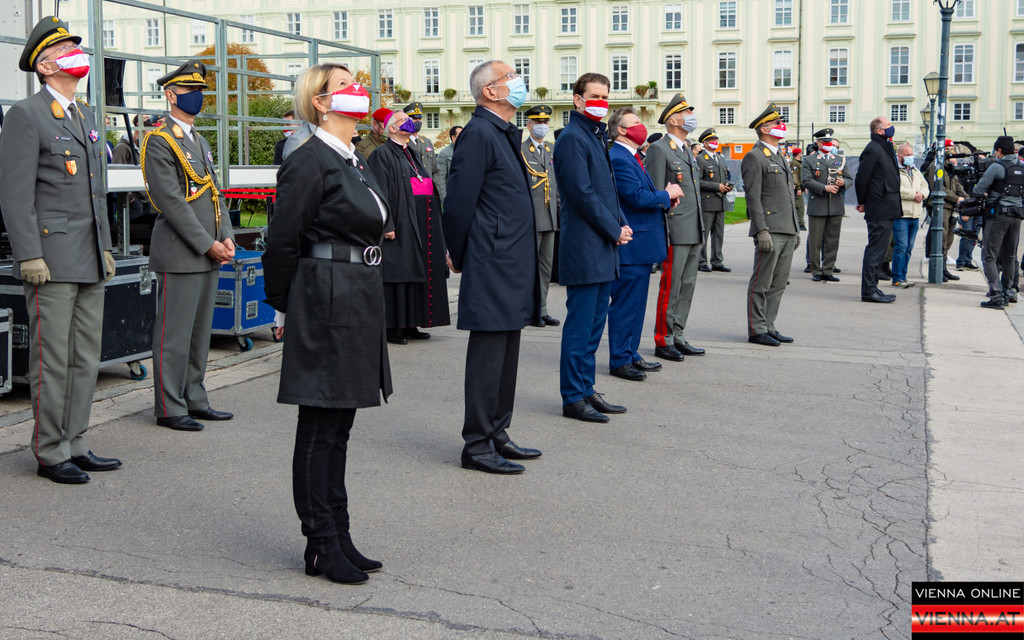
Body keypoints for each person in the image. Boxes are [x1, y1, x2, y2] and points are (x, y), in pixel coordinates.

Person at [263, 63, 390, 585]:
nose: (358, 90)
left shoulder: (351, 157)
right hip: (325, 296)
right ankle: (319, 543)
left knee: (340, 428)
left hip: (356, 294)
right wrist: (285, 305)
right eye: (344, 85)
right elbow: (282, 240)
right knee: (320, 427)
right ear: (320, 101)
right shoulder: (309, 159)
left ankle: (339, 532)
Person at [0, 16, 119, 484]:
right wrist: (29, 254)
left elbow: (96, 192)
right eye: (65, 49)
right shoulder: (26, 115)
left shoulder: (84, 115)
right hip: (50, 260)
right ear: (45, 66)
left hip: (88, 255)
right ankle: (50, 450)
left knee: (86, 357)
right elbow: (15, 195)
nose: (77, 55)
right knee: (52, 358)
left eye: (75, 47)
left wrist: (105, 246)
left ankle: (76, 441)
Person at [443, 60, 542, 474]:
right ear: (490, 91)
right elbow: (459, 201)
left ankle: (498, 432)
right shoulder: (480, 133)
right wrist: (459, 253)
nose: (519, 82)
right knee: (488, 356)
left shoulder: (501, 132)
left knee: (506, 352)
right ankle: (477, 444)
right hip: (492, 259)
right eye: (510, 77)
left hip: (510, 259)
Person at [141, 60, 236, 431]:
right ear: (170, 96)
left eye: (200, 91)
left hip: (209, 249)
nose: (197, 96)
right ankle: (169, 406)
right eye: (189, 91)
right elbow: (170, 202)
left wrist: (226, 235)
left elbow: (214, 193)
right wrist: (207, 243)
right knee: (174, 335)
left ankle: (195, 397)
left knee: (199, 334)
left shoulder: (199, 139)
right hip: (181, 251)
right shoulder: (160, 140)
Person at [555, 72, 632, 423]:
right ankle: (573, 396)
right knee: (580, 327)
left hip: (602, 244)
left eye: (605, 96)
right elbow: (581, 193)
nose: (601, 102)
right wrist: (613, 229)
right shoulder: (573, 137)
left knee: (595, 326)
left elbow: (607, 190)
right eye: (594, 96)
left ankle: (586, 389)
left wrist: (621, 223)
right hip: (585, 245)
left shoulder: (594, 134)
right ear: (577, 99)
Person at [606, 106, 679, 382]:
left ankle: (630, 353)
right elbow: (635, 197)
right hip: (631, 246)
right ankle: (620, 359)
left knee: (636, 307)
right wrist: (665, 194)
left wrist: (664, 199)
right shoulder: (618, 157)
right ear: (621, 130)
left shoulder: (633, 155)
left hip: (642, 245)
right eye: (635, 122)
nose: (641, 125)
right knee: (626, 306)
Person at [366, 109, 450, 344]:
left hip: (421, 221)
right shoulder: (381, 154)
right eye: (403, 120)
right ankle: (394, 327)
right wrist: (387, 224)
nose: (410, 122)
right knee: (400, 274)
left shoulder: (410, 151)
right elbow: (378, 192)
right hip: (400, 221)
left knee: (417, 272)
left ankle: (412, 323)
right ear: (392, 128)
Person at [646, 94, 706, 360]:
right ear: (672, 120)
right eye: (686, 113)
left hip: (693, 227)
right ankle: (664, 339)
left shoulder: (686, 148)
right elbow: (656, 193)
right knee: (670, 287)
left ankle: (678, 334)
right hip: (674, 229)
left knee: (687, 286)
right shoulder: (660, 149)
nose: (691, 117)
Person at [742, 103, 800, 346]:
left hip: (787, 228)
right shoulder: (755, 156)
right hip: (771, 229)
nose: (781, 126)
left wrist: (795, 228)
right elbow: (753, 197)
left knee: (778, 283)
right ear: (764, 129)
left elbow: (788, 196)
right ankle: (757, 329)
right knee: (762, 282)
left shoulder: (779, 155)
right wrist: (761, 230)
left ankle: (769, 325)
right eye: (777, 123)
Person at [973, 135, 1024, 309]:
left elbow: (978, 190)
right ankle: (1006, 293)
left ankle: (995, 296)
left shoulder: (997, 167)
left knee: (989, 255)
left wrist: (989, 195)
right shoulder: (1021, 167)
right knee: (1010, 256)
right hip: (1017, 216)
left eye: (995, 151)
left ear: (999, 150)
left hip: (998, 216)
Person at [521, 104, 560, 328]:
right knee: (528, 268)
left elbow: (556, 185)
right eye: (538, 122)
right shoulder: (521, 150)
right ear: (529, 125)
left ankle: (542, 309)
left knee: (546, 268)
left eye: (545, 122)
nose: (542, 126)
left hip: (550, 217)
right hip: (531, 218)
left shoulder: (551, 149)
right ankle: (527, 309)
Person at [855, 117, 901, 304]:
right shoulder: (873, 148)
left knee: (880, 250)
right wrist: (862, 201)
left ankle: (873, 288)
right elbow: (862, 178)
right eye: (888, 125)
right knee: (875, 251)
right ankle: (869, 290)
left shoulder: (884, 146)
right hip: (879, 205)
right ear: (880, 130)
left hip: (886, 206)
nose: (892, 127)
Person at [803, 128, 851, 282]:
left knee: (832, 240)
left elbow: (849, 179)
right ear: (818, 143)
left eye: (830, 141)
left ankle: (828, 269)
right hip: (818, 205)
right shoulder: (809, 160)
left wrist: (843, 183)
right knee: (815, 241)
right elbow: (806, 180)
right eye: (826, 142)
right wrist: (824, 188)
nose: (829, 144)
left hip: (836, 205)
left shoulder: (840, 159)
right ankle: (816, 270)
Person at [925, 144, 968, 282]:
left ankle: (943, 267)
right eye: (947, 149)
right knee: (941, 238)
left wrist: (966, 199)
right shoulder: (935, 166)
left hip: (951, 207)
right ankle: (938, 269)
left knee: (948, 238)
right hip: (941, 206)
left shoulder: (949, 167)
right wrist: (957, 198)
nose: (951, 152)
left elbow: (957, 185)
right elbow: (937, 187)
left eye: (951, 149)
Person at [695, 128, 732, 272]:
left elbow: (725, 177)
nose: (715, 142)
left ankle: (717, 261)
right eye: (711, 140)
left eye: (716, 139)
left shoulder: (720, 158)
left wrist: (727, 185)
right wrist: (717, 186)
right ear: (705, 143)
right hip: (708, 201)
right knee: (704, 233)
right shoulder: (700, 159)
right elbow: (698, 181)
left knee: (719, 234)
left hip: (720, 201)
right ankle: (701, 261)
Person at [892, 143, 928, 288]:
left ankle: (903, 276)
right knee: (901, 247)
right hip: (901, 215)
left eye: (911, 154)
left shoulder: (915, 170)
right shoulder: (894, 171)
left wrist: (922, 194)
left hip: (915, 215)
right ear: (899, 156)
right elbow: (895, 189)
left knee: (908, 249)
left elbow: (925, 186)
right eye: (907, 155)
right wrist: (914, 195)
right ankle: (897, 278)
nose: (910, 157)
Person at [403, 102, 439, 181]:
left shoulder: (427, 142)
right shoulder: (403, 143)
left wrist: (435, 187)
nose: (418, 121)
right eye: (414, 119)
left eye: (420, 118)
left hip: (429, 187)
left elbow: (435, 170)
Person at [434, 124, 462, 205]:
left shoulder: (469, 152)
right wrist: (445, 200)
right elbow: (440, 179)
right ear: (453, 137)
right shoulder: (444, 154)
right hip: (453, 197)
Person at [790, 146, 807, 231]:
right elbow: (795, 176)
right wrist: (798, 188)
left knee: (799, 205)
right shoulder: (795, 163)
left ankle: (798, 222)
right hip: (797, 188)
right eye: (801, 153)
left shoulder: (797, 162)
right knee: (800, 206)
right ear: (799, 154)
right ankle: (800, 223)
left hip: (800, 186)